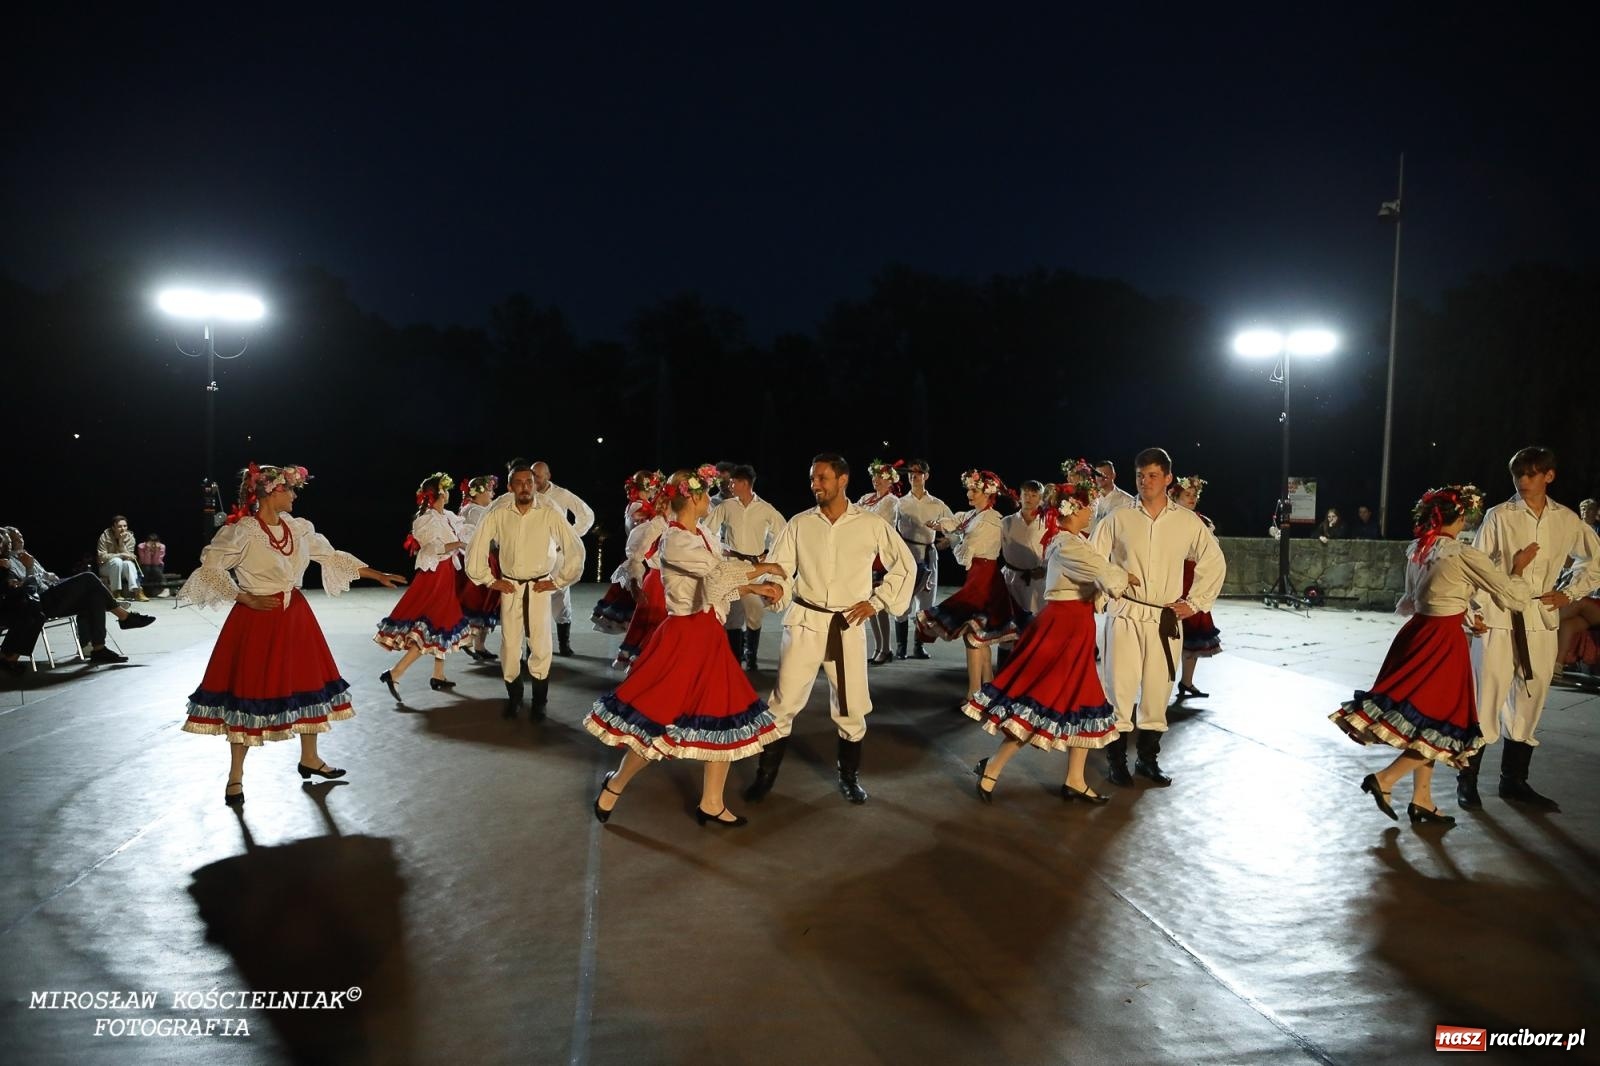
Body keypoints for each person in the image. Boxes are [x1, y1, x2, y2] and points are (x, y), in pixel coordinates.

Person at [179, 464, 406, 807]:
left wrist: (377, 574)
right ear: (273, 491)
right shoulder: (243, 532)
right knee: (247, 690)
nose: (295, 496)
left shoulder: (298, 529)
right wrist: (245, 597)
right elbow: (209, 568)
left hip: (296, 617)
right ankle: (235, 775)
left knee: (309, 684)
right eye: (291, 489)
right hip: (257, 619)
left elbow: (330, 556)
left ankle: (310, 758)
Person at [586, 468, 784, 827]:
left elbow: (718, 583)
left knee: (725, 714)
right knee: (659, 721)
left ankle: (712, 802)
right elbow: (717, 573)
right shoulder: (675, 540)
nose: (711, 500)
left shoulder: (703, 534)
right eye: (708, 494)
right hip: (683, 637)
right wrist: (762, 573)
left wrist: (758, 585)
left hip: (707, 635)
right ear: (693, 497)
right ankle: (615, 784)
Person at [1332, 484, 1538, 824]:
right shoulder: (1463, 553)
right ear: (1459, 518)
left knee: (1425, 721)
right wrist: (1517, 569)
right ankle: (1384, 779)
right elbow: (1512, 597)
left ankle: (1422, 800)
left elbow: (1419, 598)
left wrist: (1470, 619)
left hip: (1416, 634)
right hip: (1442, 643)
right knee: (1446, 722)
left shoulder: (1419, 549)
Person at [744, 454, 916, 805]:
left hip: (847, 625)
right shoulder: (799, 524)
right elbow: (782, 569)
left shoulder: (870, 524)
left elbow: (905, 565)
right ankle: (765, 776)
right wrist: (776, 590)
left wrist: (878, 601)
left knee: (851, 707)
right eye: (812, 479)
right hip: (805, 623)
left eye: (821, 478)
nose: (815, 484)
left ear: (843, 480)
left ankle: (849, 776)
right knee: (782, 703)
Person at [966, 463, 1132, 803]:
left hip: (1076, 628)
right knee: (1041, 700)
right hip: (1062, 628)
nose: (1092, 511)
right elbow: (1103, 572)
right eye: (1088, 506)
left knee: (1086, 701)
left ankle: (1074, 779)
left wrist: (1116, 578)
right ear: (1074, 510)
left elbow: (1098, 575)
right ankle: (992, 768)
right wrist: (1124, 577)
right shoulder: (1067, 544)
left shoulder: (1071, 540)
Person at [1461, 446, 1600, 811]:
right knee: (1486, 695)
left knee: (1531, 694)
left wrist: (1569, 593)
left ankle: (1514, 781)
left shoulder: (1567, 520)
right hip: (1497, 617)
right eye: (1518, 475)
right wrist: (1471, 611)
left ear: (1548, 476)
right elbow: (1476, 567)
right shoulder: (1499, 516)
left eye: (1532, 474)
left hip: (1540, 618)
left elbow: (1594, 559)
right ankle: (1468, 779)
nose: (1524, 481)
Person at [1091, 447, 1226, 787]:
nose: (1145, 482)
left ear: (1168, 478)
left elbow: (1213, 560)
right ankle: (1116, 761)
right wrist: (1112, 582)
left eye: (1153, 475)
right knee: (1119, 688)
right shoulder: (1119, 518)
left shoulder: (1186, 521)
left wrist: (1194, 602)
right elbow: (1092, 557)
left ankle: (1148, 760)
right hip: (1125, 614)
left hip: (1165, 618)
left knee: (1157, 689)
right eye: (1140, 475)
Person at [466, 461, 586, 719]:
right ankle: (515, 697)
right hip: (510, 587)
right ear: (510, 487)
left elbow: (574, 547)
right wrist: (488, 579)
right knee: (510, 645)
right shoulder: (498, 511)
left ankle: (539, 701)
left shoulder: (548, 510)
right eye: (519, 483)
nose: (525, 487)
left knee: (541, 643)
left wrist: (559, 580)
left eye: (529, 482)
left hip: (539, 587)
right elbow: (477, 543)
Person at [917, 470, 1020, 705]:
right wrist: (944, 528)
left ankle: (975, 694)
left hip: (985, 579)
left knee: (974, 636)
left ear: (987, 494)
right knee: (977, 637)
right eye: (969, 489)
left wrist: (953, 539)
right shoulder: (975, 515)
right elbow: (956, 523)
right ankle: (986, 689)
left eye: (974, 490)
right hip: (977, 578)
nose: (969, 493)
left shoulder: (991, 520)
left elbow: (964, 557)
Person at [1, 525, 154, 669]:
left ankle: (99, 648)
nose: (20, 540)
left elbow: (44, 577)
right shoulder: (9, 563)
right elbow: (25, 590)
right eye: (15, 539)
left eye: (20, 536)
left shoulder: (25, 555)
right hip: (39, 603)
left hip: (51, 592)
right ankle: (124, 617)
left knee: (94, 596)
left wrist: (47, 575)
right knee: (88, 578)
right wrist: (29, 568)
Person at [375, 473, 472, 699]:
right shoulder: (426, 520)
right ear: (438, 494)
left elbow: (460, 537)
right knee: (434, 624)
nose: (449, 492)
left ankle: (438, 675)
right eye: (445, 489)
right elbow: (435, 547)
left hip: (446, 574)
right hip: (434, 576)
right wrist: (459, 543)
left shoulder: (446, 515)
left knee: (443, 624)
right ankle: (395, 672)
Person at [706, 463, 787, 669]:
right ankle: (734, 658)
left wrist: (768, 553)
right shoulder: (726, 506)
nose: (729, 485)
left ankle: (751, 656)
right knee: (733, 613)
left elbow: (783, 533)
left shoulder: (765, 508)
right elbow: (707, 531)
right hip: (732, 564)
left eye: (733, 482)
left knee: (754, 611)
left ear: (744, 483)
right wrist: (721, 548)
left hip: (754, 567)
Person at [892, 459, 952, 660]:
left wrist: (947, 539)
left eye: (918, 473)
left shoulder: (937, 504)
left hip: (928, 554)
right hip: (906, 554)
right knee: (902, 600)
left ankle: (919, 646)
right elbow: (889, 529)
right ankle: (901, 647)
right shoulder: (900, 503)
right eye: (910, 473)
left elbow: (954, 525)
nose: (913, 476)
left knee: (926, 603)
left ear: (926, 476)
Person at [1169, 475, 1222, 699]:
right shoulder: (1169, 520)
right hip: (1175, 577)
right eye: (1187, 495)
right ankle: (1160, 685)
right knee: (1172, 634)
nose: (1191, 499)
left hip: (1193, 579)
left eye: (1194, 496)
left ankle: (1187, 682)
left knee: (1194, 636)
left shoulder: (1202, 521)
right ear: (1176, 497)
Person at [592, 471, 662, 637]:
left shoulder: (642, 505)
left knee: (637, 604)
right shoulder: (639, 506)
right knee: (636, 602)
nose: (656, 491)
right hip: (639, 558)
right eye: (654, 487)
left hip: (643, 556)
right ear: (649, 486)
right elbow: (641, 532)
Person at [857, 458, 904, 665]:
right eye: (874, 476)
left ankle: (886, 648)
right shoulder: (866, 498)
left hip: (880, 555)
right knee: (868, 602)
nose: (876, 480)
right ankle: (878, 646)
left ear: (889, 481)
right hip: (864, 554)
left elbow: (884, 525)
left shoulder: (892, 501)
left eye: (880, 477)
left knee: (880, 602)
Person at [456, 474, 501, 661]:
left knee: (484, 600)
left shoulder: (469, 509)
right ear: (480, 492)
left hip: (478, 558)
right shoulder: (476, 511)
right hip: (482, 560)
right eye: (489, 490)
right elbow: (489, 536)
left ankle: (478, 644)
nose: (492, 493)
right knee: (482, 600)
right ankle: (470, 640)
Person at [999, 479, 1048, 630]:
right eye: (1025, 494)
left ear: (1041, 499)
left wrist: (1045, 568)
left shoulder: (1048, 523)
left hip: (1038, 580)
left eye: (1034, 495)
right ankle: (1006, 653)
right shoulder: (1006, 522)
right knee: (1008, 623)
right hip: (1011, 578)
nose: (1028, 498)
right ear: (1019, 496)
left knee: (1036, 623)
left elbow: (1055, 549)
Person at [97, 516, 146, 600]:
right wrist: (120, 555)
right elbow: (102, 557)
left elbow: (130, 557)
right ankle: (116, 592)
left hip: (123, 569)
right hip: (106, 568)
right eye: (119, 526)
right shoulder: (105, 536)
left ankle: (137, 591)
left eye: (125, 526)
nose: (123, 529)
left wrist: (121, 543)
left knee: (128, 563)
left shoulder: (130, 537)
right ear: (113, 527)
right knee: (117, 561)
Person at [1089, 459, 1136, 534]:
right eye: (1098, 475)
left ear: (1113, 475)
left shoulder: (1127, 501)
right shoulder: (1088, 498)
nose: (1101, 478)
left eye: (1104, 474)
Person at [137, 531, 169, 598]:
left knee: (155, 568)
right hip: (144, 566)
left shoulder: (162, 547)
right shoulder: (141, 546)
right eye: (151, 543)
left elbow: (156, 562)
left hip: (157, 566)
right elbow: (146, 562)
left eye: (155, 543)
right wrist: (147, 549)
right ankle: (141, 590)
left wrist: (157, 550)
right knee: (147, 567)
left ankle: (165, 589)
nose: (153, 545)